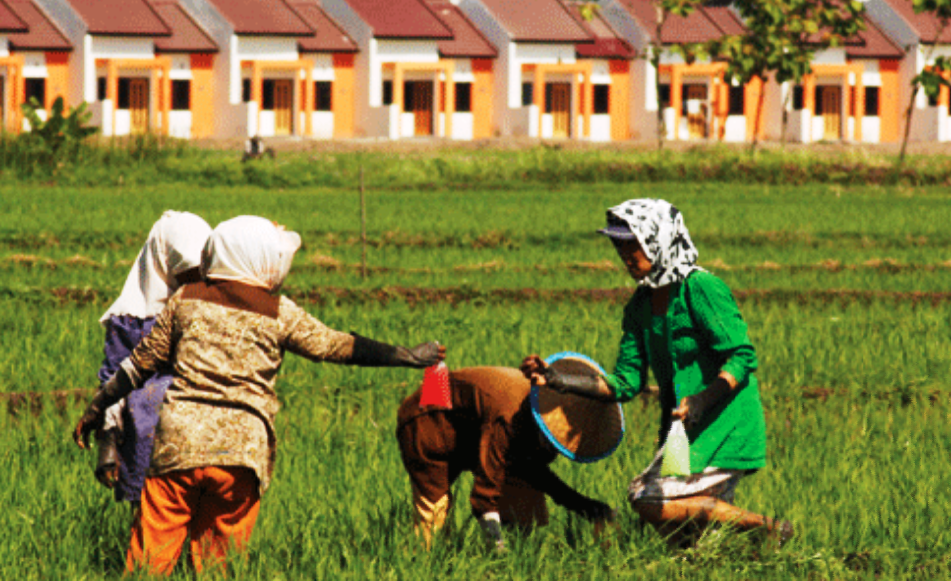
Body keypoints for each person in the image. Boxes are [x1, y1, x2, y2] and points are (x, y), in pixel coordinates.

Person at [74, 216, 445, 575]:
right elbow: (338, 346)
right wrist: (407, 356)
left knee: (147, 564)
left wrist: (96, 409)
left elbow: (135, 367)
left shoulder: (185, 299)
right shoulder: (279, 312)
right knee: (219, 566)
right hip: (241, 458)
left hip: (176, 450)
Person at [521, 198, 792, 548]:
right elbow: (625, 382)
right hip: (680, 428)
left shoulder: (701, 289)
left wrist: (703, 399)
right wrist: (559, 379)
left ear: (659, 240)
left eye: (634, 245)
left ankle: (767, 527)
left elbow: (741, 355)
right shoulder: (639, 305)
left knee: (648, 500)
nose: (626, 255)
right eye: (620, 246)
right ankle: (714, 561)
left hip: (725, 420)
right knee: (677, 534)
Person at [396, 360, 616, 551]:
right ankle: (422, 560)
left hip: (473, 429)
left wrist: (587, 508)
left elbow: (534, 472)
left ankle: (521, 552)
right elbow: (484, 494)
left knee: (525, 508)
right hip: (427, 421)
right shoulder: (509, 418)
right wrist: (498, 551)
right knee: (434, 514)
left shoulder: (539, 414)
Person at [95, 211, 212, 506]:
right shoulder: (130, 319)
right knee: (151, 522)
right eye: (187, 273)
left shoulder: (212, 310)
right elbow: (112, 380)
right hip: (147, 434)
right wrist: (108, 445)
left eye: (201, 272)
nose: (194, 281)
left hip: (204, 435)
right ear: (163, 261)